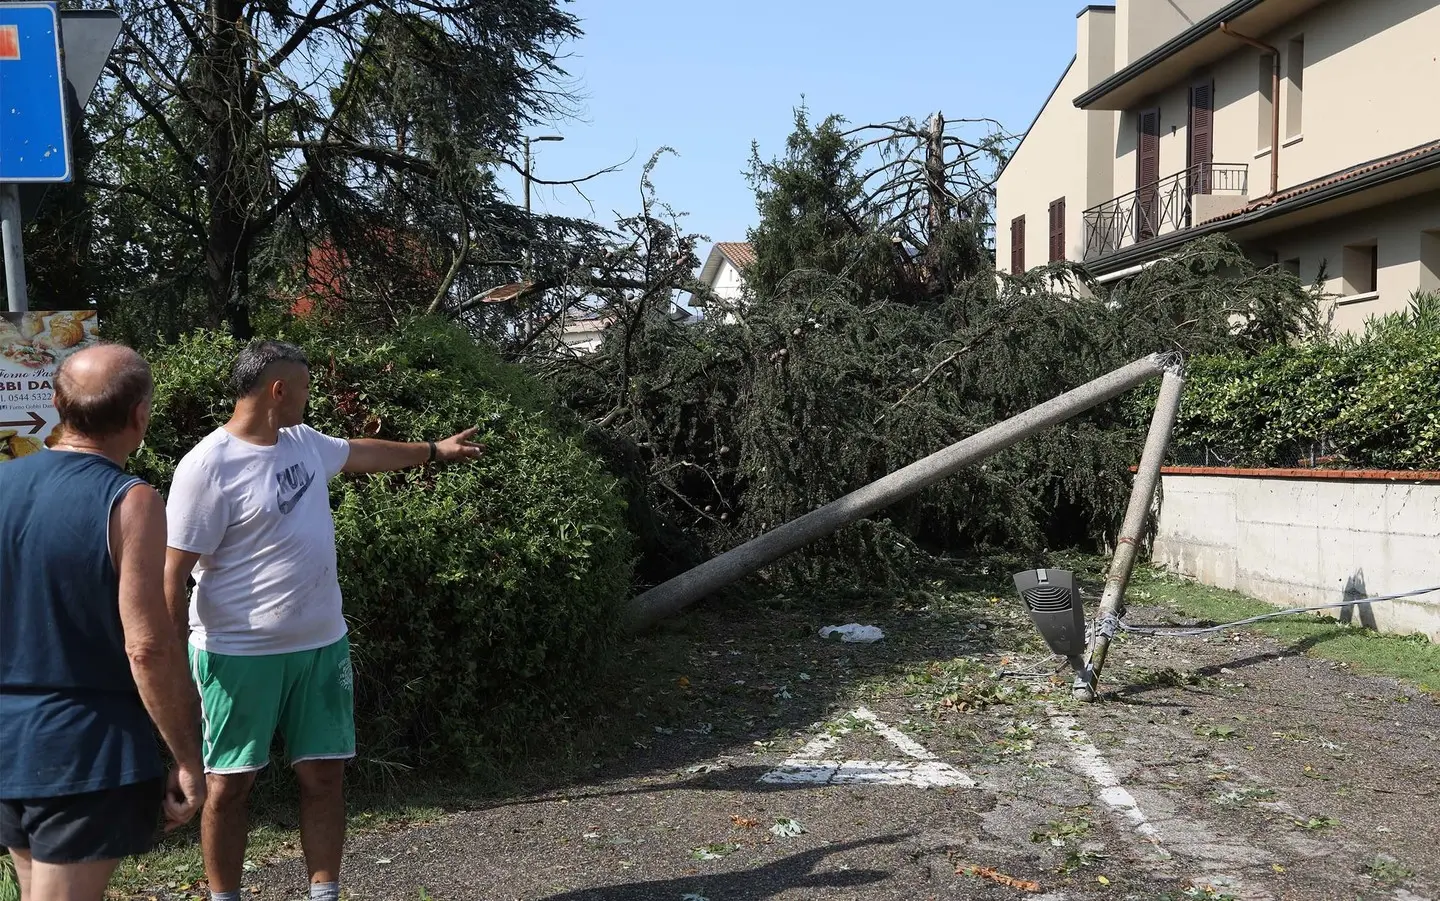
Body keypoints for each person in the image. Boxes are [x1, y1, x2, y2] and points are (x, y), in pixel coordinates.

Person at [164, 340, 482, 901]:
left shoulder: (303, 443)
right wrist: (169, 666)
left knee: (325, 777)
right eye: (305, 387)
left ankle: (325, 893)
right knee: (229, 787)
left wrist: (433, 450)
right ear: (278, 390)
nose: (310, 399)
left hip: (321, 644)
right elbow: (173, 574)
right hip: (238, 655)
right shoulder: (206, 466)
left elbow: (362, 453)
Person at [0, 345, 206, 901]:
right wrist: (188, 759)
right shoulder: (130, 500)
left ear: (55, 405)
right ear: (140, 415)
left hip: (9, 741)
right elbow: (147, 647)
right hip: (83, 748)